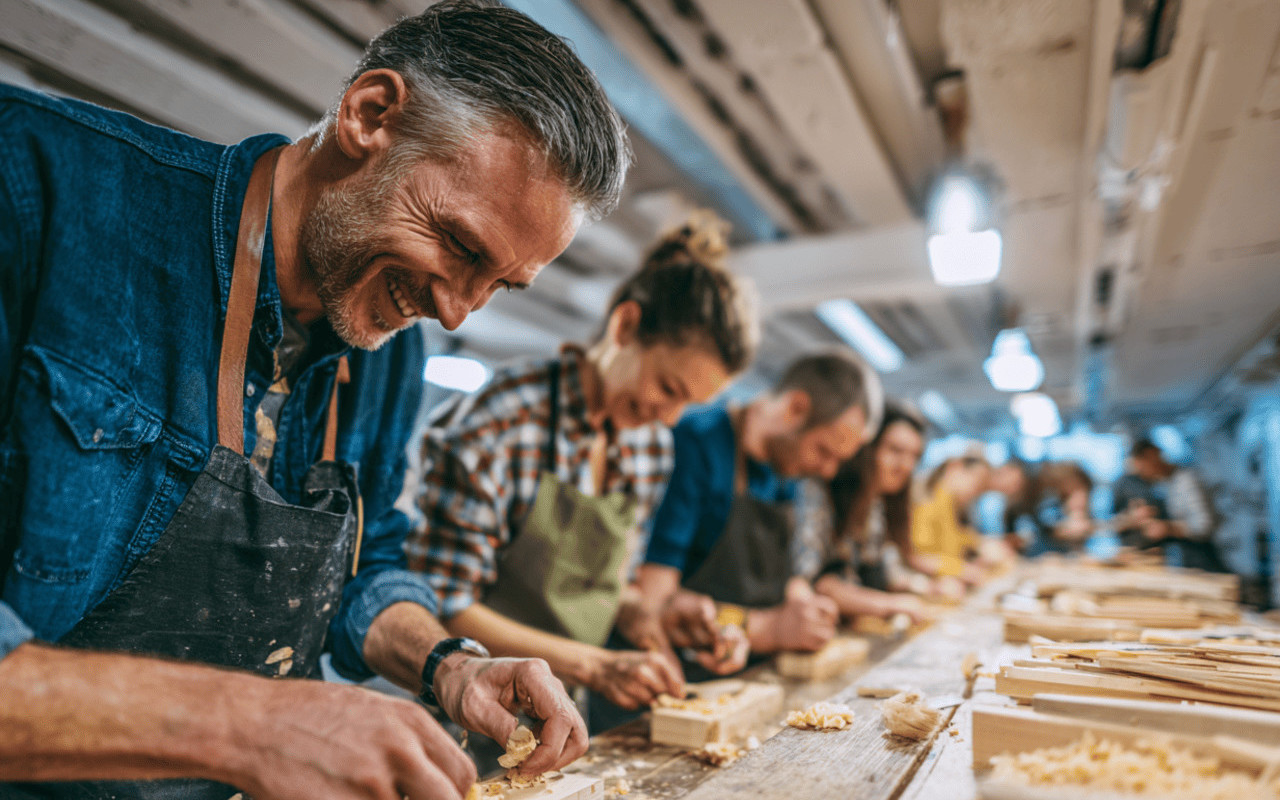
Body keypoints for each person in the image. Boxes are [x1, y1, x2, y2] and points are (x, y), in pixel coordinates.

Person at [0, 2, 630, 798]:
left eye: (499, 284)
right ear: (369, 115)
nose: (456, 310)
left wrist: (450, 665)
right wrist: (246, 724)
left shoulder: (387, 347)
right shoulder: (32, 185)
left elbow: (370, 568)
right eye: (461, 246)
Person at [405, 213, 758, 712]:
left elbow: (606, 590)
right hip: (460, 709)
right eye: (668, 387)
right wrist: (595, 666)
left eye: (687, 405)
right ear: (626, 325)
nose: (669, 415)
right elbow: (444, 605)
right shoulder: (504, 420)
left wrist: (653, 617)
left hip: (560, 710)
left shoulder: (650, 447)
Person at [621, 351, 883, 666]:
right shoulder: (698, 442)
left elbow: (786, 576)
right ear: (795, 408)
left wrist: (805, 605)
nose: (828, 471)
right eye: (824, 451)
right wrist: (770, 629)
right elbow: (655, 596)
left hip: (751, 668)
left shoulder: (787, 468)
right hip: (682, 668)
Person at [815, 402, 933, 621]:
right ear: (866, 447)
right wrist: (889, 604)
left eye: (914, 456)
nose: (906, 465)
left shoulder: (876, 505)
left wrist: (922, 586)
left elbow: (880, 571)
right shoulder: (826, 494)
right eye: (895, 450)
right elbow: (820, 583)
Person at [1117, 439, 1224, 571]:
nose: (1142, 475)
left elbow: (1205, 525)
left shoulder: (1187, 481)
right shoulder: (1162, 486)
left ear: (1152, 455)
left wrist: (1169, 528)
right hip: (1182, 561)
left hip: (1203, 560)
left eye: (1142, 468)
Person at [910, 455, 997, 589]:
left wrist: (981, 546)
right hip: (927, 587)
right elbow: (917, 557)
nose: (977, 490)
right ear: (954, 467)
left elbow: (960, 539)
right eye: (977, 480)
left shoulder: (952, 506)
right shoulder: (928, 501)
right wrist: (961, 570)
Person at [1022, 462, 1095, 557]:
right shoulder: (1050, 500)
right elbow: (1056, 530)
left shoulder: (1085, 500)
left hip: (1070, 558)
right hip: (1044, 556)